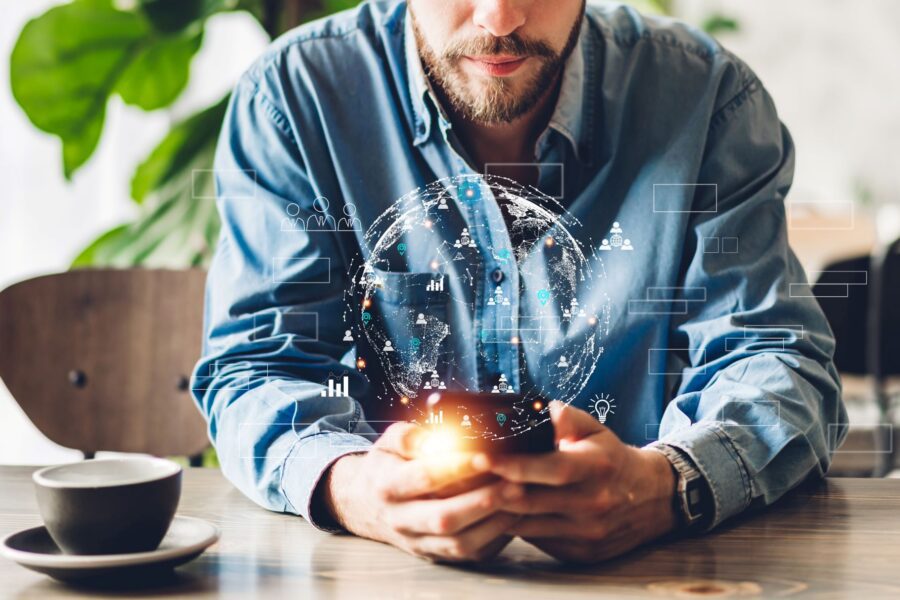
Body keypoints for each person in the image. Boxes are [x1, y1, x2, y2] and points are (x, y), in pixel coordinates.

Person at [193, 0, 847, 565]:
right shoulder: (295, 98)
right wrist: (355, 490)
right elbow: (255, 369)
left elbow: (776, 361)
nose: (500, 19)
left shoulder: (706, 99)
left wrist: (668, 485)